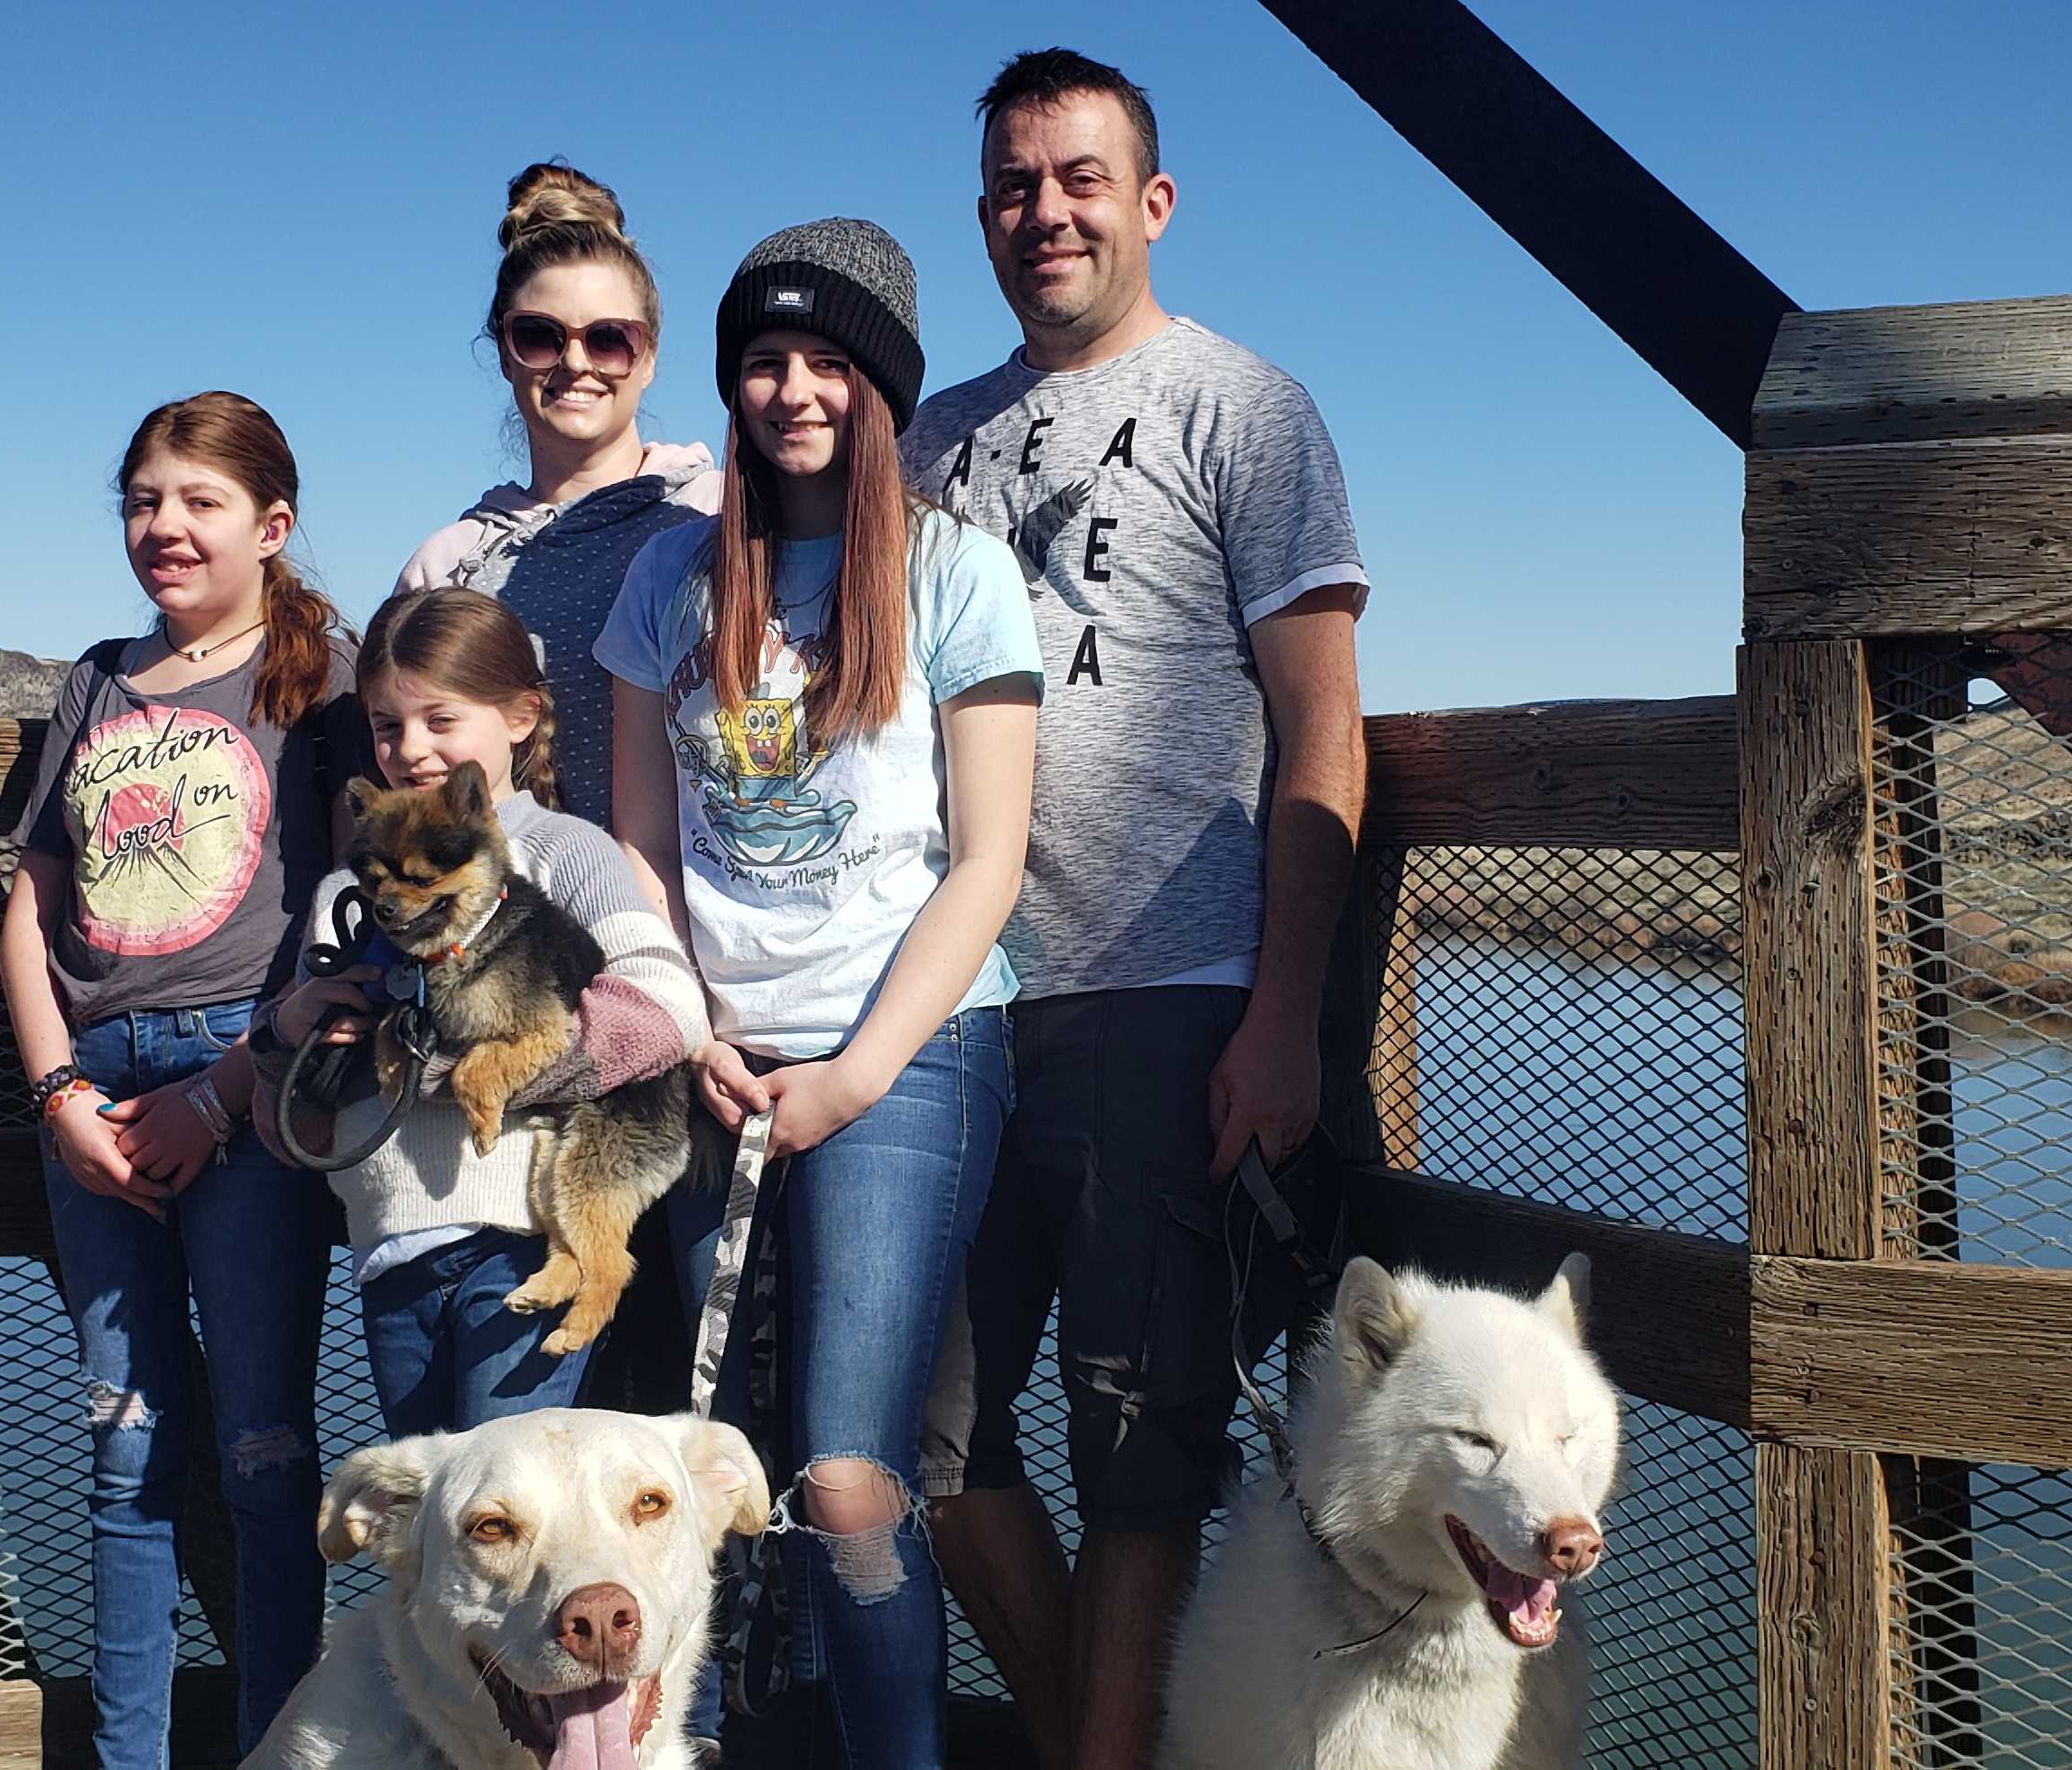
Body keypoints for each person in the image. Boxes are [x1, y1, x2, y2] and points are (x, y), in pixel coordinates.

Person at [903, 49, 1373, 1770]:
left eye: (1080, 179)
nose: (1046, 212)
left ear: (1152, 202)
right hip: (950, 1005)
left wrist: (1282, 1016)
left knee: (1139, 1446)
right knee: (913, 1434)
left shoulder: (1241, 408)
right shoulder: (927, 441)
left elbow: (1322, 728)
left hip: (1163, 995)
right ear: (983, 217)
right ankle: (1090, 1742)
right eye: (1014, 186)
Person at [597, 218, 1040, 1769]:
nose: (792, 390)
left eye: (828, 362)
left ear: (882, 388)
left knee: (849, 1474)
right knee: (721, 1452)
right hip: (714, 1057)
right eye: (765, 360)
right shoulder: (667, 581)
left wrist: (852, 1077)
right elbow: (640, 849)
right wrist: (687, 1024)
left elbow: (988, 859)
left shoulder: (955, 572)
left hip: (906, 1053)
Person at [0, 392, 365, 1766]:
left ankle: (276, 1748)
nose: (166, 527)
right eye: (145, 500)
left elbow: (354, 929)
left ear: (270, 526)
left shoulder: (323, 685)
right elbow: (30, 912)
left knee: (264, 1454)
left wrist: (225, 1096)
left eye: (200, 502)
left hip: (251, 1088)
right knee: (126, 1453)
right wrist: (58, 1100)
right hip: (94, 1092)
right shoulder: (96, 680)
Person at [263, 586, 707, 1436]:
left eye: (440, 720)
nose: (409, 749)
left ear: (521, 717)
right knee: (431, 1491)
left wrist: (446, 1067)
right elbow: (301, 1109)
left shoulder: (568, 852)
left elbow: (668, 1011)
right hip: (390, 1246)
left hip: (521, 1232)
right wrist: (288, 1033)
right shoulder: (347, 893)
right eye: (386, 726)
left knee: (507, 1485)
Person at [397, 161, 721, 834]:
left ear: (649, 357)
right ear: (504, 352)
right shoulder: (446, 568)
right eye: (541, 336)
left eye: (609, 340)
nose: (576, 363)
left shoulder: (721, 516)